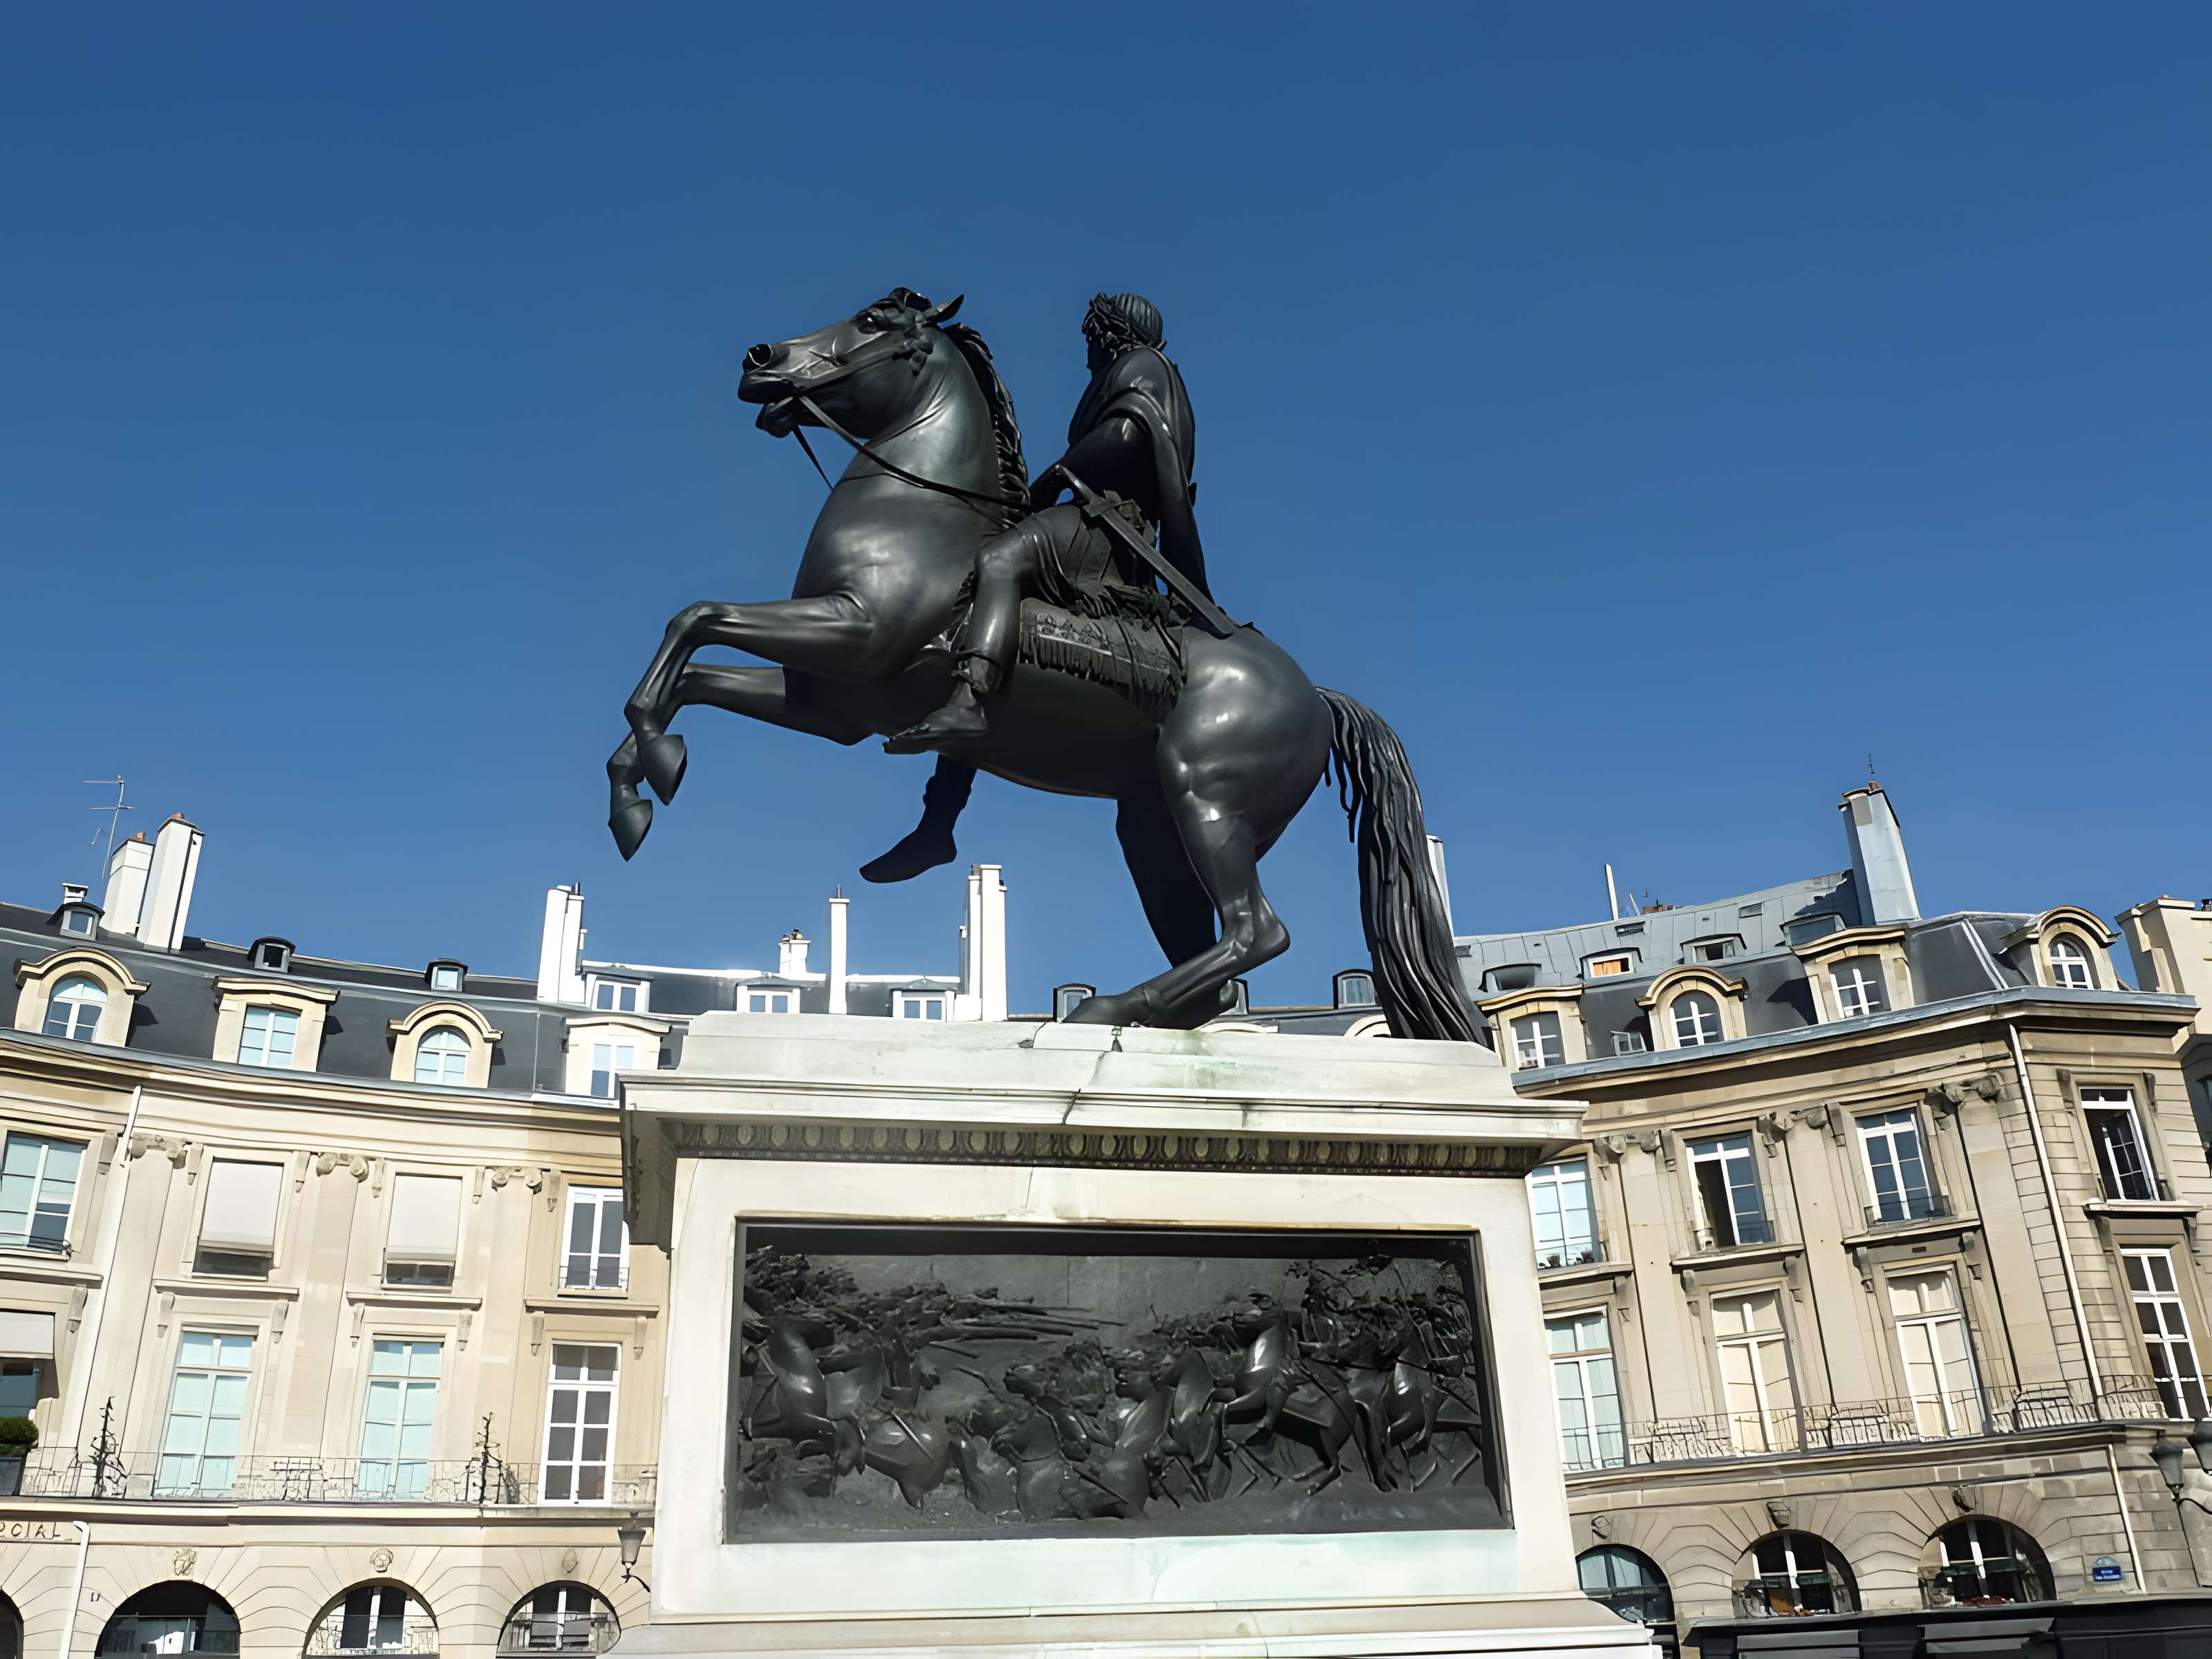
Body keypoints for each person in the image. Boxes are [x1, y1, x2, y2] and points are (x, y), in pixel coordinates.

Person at [861, 293, 1208, 881]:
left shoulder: (1143, 365)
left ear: (1109, 330)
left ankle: (969, 705)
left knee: (996, 560)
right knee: (984, 633)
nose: (1087, 348)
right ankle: (937, 823)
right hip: (1098, 517)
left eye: (1090, 334)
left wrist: (1053, 475)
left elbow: (1127, 437)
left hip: (1108, 527)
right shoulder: (1132, 370)